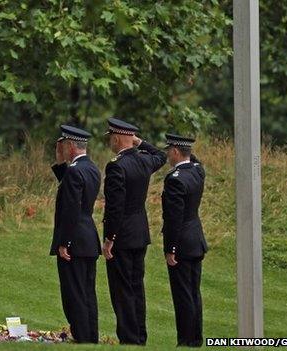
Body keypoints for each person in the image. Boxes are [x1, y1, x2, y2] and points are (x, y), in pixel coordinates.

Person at [102, 117, 166, 345]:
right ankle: (139, 336)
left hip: (122, 237)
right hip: (139, 233)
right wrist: (139, 142)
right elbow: (162, 155)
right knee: (137, 287)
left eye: (111, 136)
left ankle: (129, 338)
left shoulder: (117, 166)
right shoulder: (143, 161)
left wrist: (110, 238)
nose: (110, 141)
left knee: (122, 291)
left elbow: (115, 207)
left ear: (117, 138)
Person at [50, 125, 101, 343]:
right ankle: (90, 336)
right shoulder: (91, 168)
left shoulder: (74, 171)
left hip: (75, 240)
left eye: (64, 146)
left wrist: (64, 242)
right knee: (87, 292)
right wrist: (60, 163)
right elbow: (70, 184)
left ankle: (81, 336)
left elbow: (71, 208)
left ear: (70, 146)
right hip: (88, 238)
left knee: (74, 294)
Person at [161, 133, 207, 347]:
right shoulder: (197, 172)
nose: (168, 154)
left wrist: (170, 248)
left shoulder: (175, 180)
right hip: (195, 239)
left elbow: (173, 218)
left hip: (181, 243)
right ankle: (196, 338)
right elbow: (194, 160)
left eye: (169, 150)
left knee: (183, 295)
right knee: (194, 292)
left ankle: (186, 340)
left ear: (176, 152)